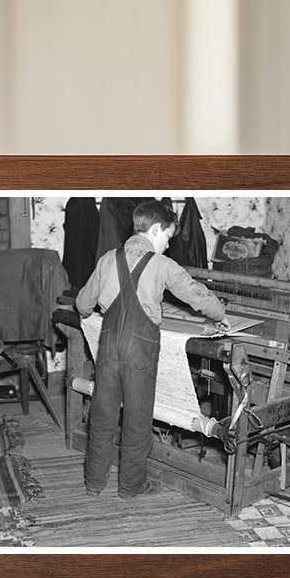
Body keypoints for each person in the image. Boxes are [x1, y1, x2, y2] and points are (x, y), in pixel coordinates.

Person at [74, 200, 228, 499]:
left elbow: (82, 304)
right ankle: (131, 486)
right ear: (155, 229)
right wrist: (221, 315)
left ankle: (94, 483)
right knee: (138, 417)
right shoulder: (161, 265)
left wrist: (92, 312)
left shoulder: (108, 259)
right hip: (140, 348)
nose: (168, 245)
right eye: (167, 237)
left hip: (108, 345)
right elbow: (196, 294)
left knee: (103, 414)